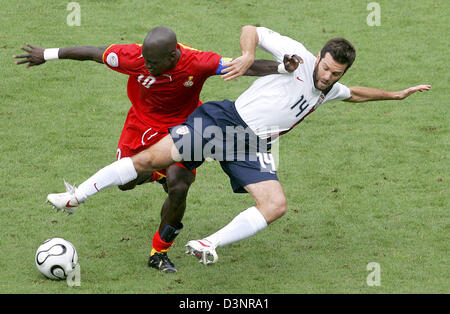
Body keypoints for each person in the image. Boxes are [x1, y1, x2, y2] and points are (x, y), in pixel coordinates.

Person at [42, 25, 431, 266]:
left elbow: (356, 94)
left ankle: (208, 244)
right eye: (326, 68)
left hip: (250, 145)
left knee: (275, 205)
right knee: (147, 161)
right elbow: (254, 29)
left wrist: (396, 95)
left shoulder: (329, 88)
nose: (327, 76)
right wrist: (247, 54)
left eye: (335, 72)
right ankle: (78, 195)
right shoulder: (300, 56)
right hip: (223, 121)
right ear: (320, 57)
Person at [14, 26, 283, 272]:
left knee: (179, 186)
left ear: (172, 56)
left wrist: (283, 67)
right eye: (145, 60)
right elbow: (94, 53)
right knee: (127, 183)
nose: (147, 66)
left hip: (185, 128)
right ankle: (157, 173)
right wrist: (46, 54)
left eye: (153, 63)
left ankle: (159, 252)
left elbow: (245, 66)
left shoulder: (197, 62)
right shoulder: (134, 57)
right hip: (140, 128)